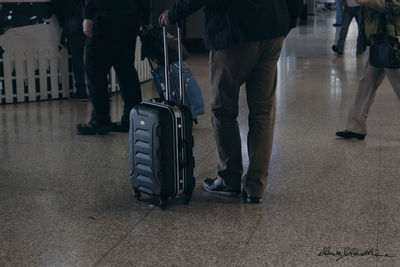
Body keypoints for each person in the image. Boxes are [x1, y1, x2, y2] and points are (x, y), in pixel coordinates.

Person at [160, 0, 303, 203]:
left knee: (223, 109)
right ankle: (255, 185)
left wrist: (173, 13)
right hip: (272, 29)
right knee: (262, 112)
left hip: (234, 31)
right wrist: (287, 22)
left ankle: (229, 178)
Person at [75, 0, 150, 135]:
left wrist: (88, 15)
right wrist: (145, 18)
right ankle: (131, 119)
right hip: (130, 17)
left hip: (104, 17)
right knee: (125, 68)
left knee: (94, 69)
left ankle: (100, 120)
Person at [336, 0, 400, 140]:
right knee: (366, 82)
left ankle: (356, 125)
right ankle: (355, 127)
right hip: (378, 40)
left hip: (392, 40)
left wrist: (368, 1)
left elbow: (395, 5)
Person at [52, 0, 88, 100]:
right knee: (93, 54)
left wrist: (62, 19)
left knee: (77, 56)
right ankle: (99, 90)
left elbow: (56, 4)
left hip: (71, 15)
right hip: (87, 15)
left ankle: (81, 91)